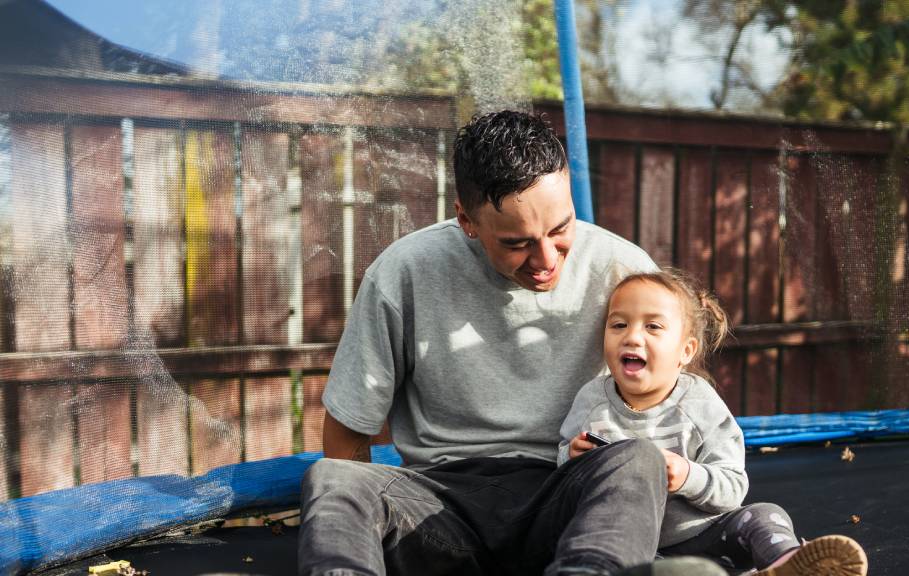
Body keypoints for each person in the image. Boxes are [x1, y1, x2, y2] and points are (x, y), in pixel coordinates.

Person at [299, 111, 728, 576]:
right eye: (518, 242)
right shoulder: (404, 273)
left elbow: (666, 393)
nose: (546, 259)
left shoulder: (621, 268)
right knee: (334, 479)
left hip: (566, 498)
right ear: (466, 219)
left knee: (637, 458)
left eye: (561, 228)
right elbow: (347, 431)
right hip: (440, 508)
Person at [558, 269, 869, 576]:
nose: (632, 336)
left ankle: (786, 564)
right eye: (619, 324)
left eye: (652, 326)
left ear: (685, 350)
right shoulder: (592, 400)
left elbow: (733, 486)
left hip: (708, 534)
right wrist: (573, 459)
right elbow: (561, 473)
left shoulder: (698, 403)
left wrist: (687, 476)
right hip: (638, 547)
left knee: (764, 515)